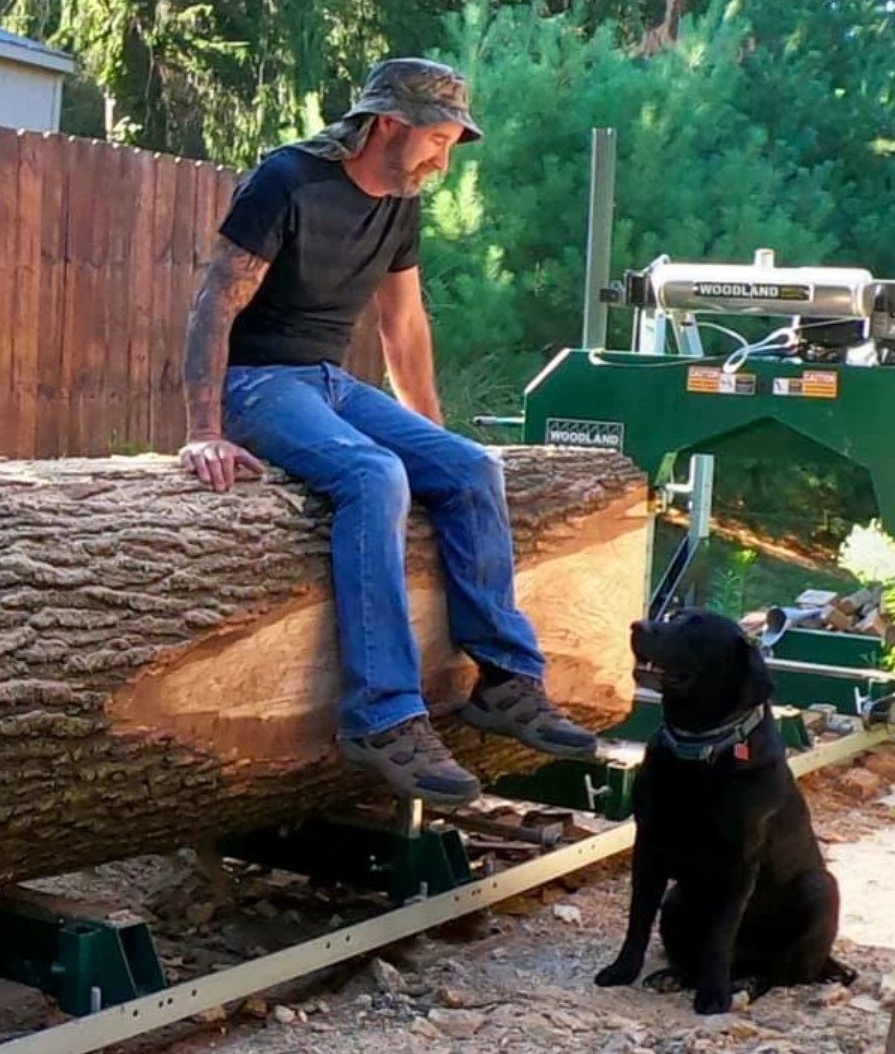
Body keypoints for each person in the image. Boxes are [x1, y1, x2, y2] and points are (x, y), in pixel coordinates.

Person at [178, 57, 597, 807]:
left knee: (470, 468)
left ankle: (507, 679)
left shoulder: (400, 202)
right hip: (259, 384)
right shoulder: (287, 181)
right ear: (387, 125)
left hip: (333, 383)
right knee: (374, 475)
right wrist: (204, 428)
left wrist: (429, 433)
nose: (443, 161)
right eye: (436, 141)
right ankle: (384, 716)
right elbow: (216, 302)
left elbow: (402, 322)